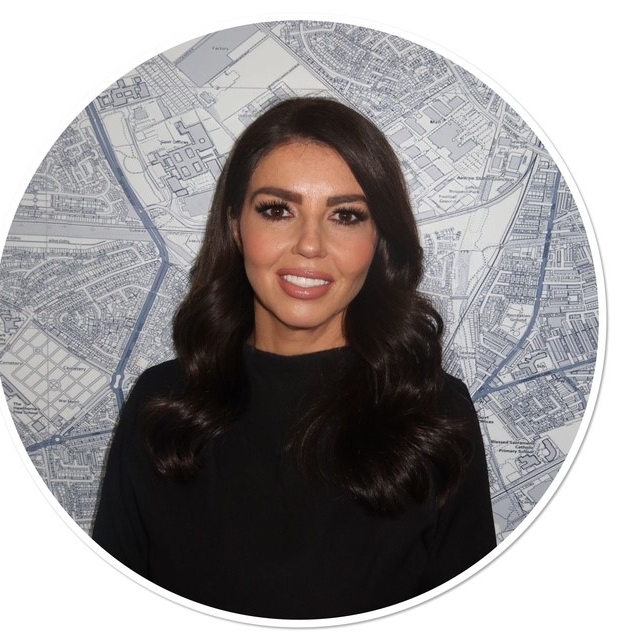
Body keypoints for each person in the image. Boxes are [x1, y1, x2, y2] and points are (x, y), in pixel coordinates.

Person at [93, 97, 496, 620]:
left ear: (379, 239)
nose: (310, 245)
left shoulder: (434, 413)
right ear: (235, 225)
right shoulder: (163, 407)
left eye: (346, 216)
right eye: (277, 210)